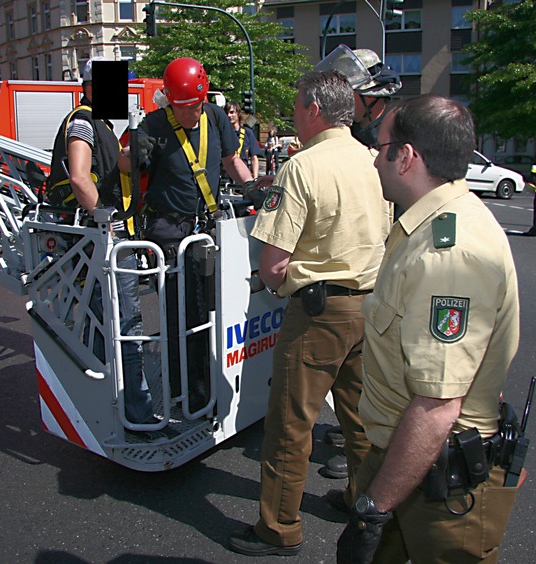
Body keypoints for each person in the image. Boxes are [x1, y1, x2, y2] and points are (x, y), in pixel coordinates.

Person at [337, 95, 521, 563]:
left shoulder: (448, 255)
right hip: (407, 452)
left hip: (437, 472)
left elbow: (438, 405)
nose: (375, 159)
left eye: (380, 148)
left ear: (407, 156)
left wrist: (373, 508)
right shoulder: (428, 227)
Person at [227, 69, 391, 557]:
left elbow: (273, 265)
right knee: (361, 417)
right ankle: (362, 501)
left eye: (297, 107)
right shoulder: (371, 160)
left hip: (319, 315)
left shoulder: (302, 167)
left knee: (290, 424)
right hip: (371, 306)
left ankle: (279, 528)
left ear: (314, 110)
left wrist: (279, 282)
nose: (294, 116)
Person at [119, 57, 254, 411]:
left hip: (204, 229)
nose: (188, 114)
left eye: (194, 107)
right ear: (169, 100)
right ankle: (184, 390)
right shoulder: (153, 124)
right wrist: (132, 154)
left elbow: (231, 161)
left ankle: (203, 383)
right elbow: (125, 164)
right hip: (169, 230)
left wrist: (252, 187)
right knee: (179, 312)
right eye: (181, 108)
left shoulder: (216, 118)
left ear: (203, 99)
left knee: (208, 310)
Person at [48, 57, 155, 425]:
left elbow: (110, 171)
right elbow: (80, 178)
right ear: (93, 88)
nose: (122, 94)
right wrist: (106, 226)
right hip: (101, 238)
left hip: (98, 239)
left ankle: (94, 405)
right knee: (126, 324)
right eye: (117, 87)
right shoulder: (83, 120)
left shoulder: (103, 124)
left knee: (99, 321)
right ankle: (137, 415)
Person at [314, 44, 401, 489]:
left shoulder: (389, 136)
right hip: (374, 275)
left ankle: (370, 462)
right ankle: (359, 454)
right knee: (360, 382)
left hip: (386, 274)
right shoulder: (369, 135)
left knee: (383, 376)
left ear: (370, 98)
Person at [224, 100, 262, 179]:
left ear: (238, 113)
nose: (229, 115)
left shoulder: (247, 133)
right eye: (226, 113)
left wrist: (255, 179)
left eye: (232, 112)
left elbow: (254, 158)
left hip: (242, 177)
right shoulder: (222, 133)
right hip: (226, 178)